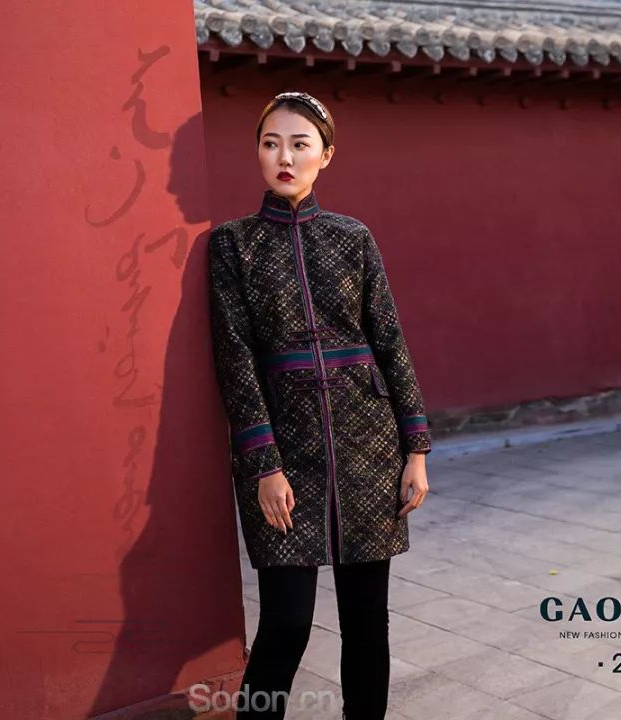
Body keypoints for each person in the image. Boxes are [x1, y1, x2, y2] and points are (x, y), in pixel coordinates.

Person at [207, 90, 431, 720]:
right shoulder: (232, 245)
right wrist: (264, 465)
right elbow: (234, 358)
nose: (284, 157)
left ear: (325, 155)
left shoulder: (353, 238)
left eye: (300, 144)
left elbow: (390, 340)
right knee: (285, 623)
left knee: (367, 623)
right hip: (285, 450)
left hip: (368, 445)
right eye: (271, 143)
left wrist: (416, 448)